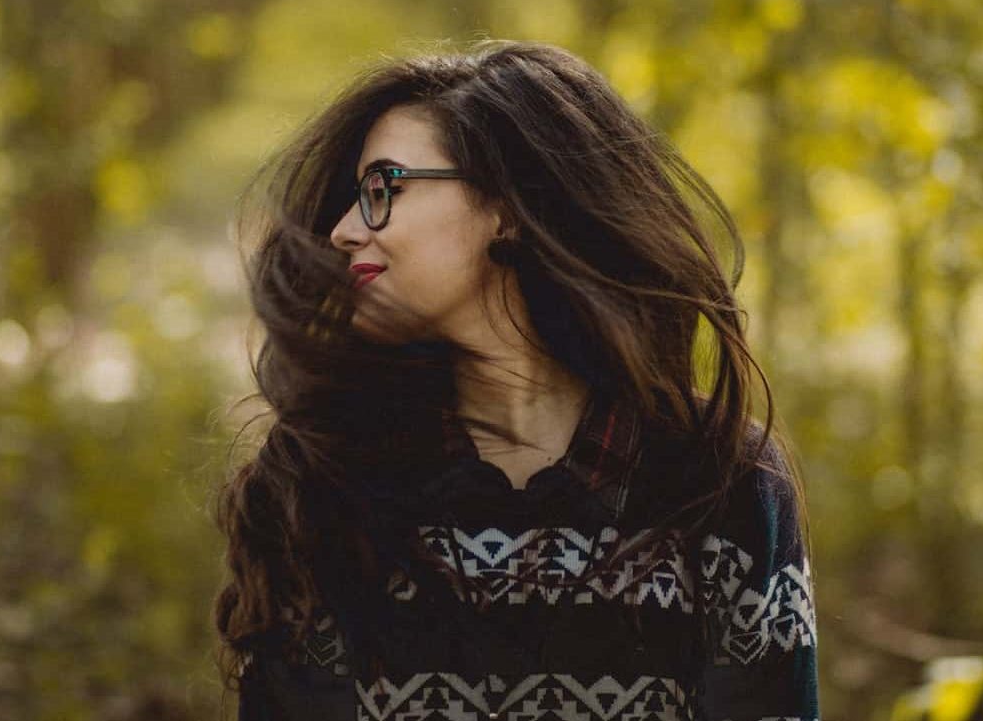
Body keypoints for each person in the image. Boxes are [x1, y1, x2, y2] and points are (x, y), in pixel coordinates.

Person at [213, 41, 819, 721]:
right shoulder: (317, 482)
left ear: (504, 206)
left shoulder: (722, 482)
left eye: (382, 188)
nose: (345, 230)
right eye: (354, 198)